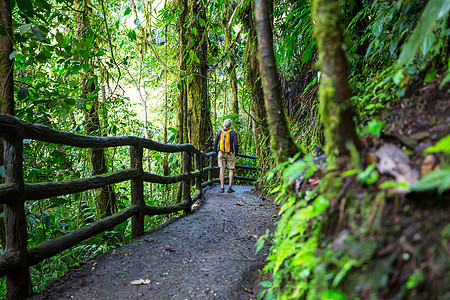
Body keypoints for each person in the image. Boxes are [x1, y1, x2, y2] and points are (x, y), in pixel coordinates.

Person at [213, 118, 239, 193]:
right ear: (230, 125)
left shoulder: (219, 132)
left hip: (221, 152)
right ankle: (230, 187)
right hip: (230, 153)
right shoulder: (233, 133)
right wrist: (236, 153)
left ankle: (222, 187)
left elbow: (215, 143)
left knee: (222, 170)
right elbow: (236, 145)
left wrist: (216, 152)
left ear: (224, 124)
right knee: (230, 169)